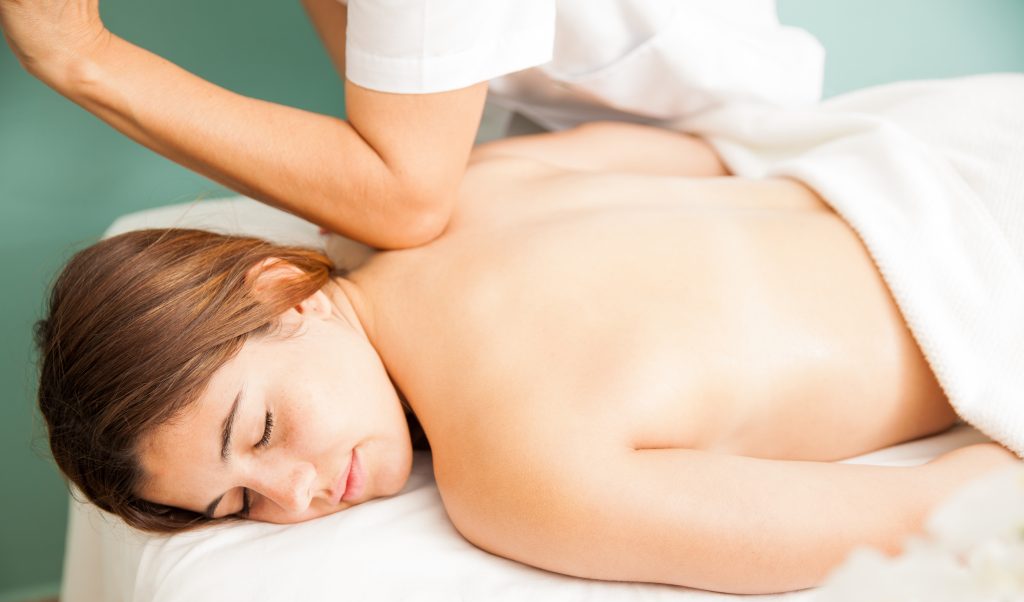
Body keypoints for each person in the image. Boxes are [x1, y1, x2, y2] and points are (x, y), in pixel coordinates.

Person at [35, 120, 1021, 596]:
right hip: (946, 165)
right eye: (239, 504)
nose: (296, 494)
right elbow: (704, 158)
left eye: (260, 430)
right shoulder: (476, 185)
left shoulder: (511, 475)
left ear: (281, 290)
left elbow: (917, 518)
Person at [0, 0, 824, 248]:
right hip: (589, 128)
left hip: (733, 154)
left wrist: (85, 57)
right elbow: (385, 102)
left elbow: (404, 196)